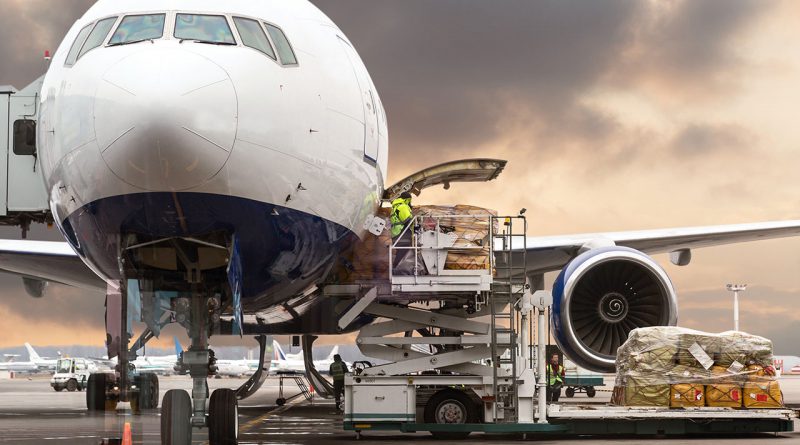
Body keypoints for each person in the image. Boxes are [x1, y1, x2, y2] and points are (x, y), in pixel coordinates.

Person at [390, 192, 415, 272]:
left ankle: (396, 268)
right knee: (404, 250)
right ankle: (396, 269)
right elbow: (408, 221)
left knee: (401, 251)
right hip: (402, 233)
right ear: (408, 199)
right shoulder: (403, 207)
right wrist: (416, 227)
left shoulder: (396, 206)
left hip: (396, 233)